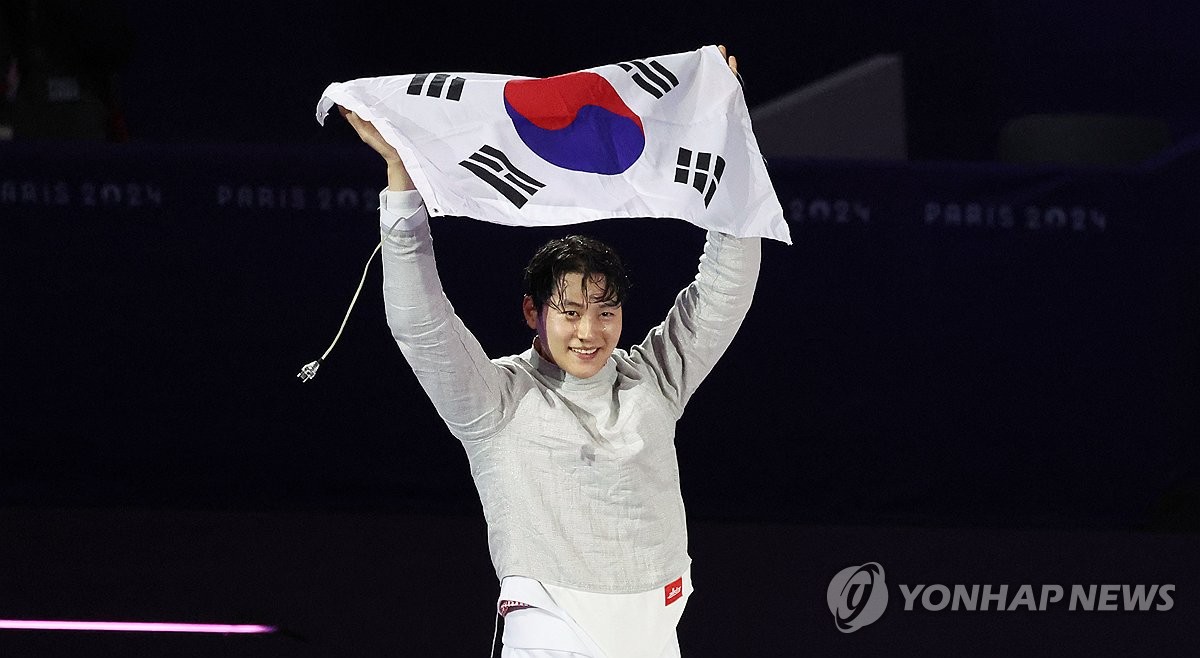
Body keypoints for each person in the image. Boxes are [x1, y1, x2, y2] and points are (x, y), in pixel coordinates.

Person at [342, 46, 760, 658]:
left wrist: (727, 127)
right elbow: (421, 325)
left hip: (654, 629)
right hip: (550, 627)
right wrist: (404, 182)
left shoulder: (653, 381)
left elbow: (727, 284)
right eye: (569, 311)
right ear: (533, 314)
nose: (589, 330)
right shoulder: (495, 401)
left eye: (606, 311)